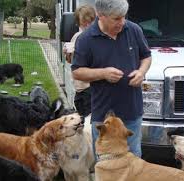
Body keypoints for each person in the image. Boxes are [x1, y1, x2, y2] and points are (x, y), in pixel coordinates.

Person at [71, 0, 152, 158]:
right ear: (101, 16)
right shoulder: (86, 39)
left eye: (123, 17)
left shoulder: (133, 29)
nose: (122, 22)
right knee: (104, 161)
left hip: (132, 111)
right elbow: (77, 72)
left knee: (133, 158)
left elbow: (146, 56)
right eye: (116, 18)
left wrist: (141, 72)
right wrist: (103, 73)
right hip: (103, 115)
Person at [63, 5, 96, 117]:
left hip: (91, 89)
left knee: (90, 124)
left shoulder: (97, 38)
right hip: (79, 89)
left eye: (90, 22)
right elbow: (70, 61)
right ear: (78, 23)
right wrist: (67, 53)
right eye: (83, 23)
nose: (87, 26)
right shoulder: (77, 36)